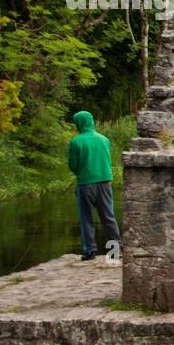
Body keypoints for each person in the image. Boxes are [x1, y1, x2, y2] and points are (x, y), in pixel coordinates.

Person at [68, 110, 122, 261]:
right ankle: (115, 251)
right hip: (105, 183)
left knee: (86, 219)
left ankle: (90, 251)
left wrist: (82, 172)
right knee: (108, 217)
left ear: (78, 123)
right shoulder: (104, 139)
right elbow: (107, 160)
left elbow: (73, 165)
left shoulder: (75, 141)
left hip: (85, 185)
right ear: (91, 121)